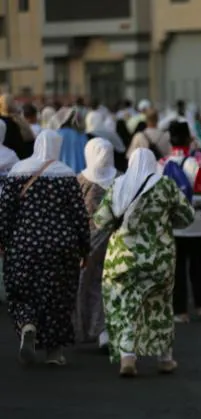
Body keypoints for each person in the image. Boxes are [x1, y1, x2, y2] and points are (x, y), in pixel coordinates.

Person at [95, 149, 195, 377]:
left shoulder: (119, 184)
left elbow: (100, 220)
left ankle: (127, 356)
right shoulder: (167, 185)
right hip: (159, 258)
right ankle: (165, 359)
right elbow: (187, 216)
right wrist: (167, 224)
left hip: (122, 258)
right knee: (159, 305)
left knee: (126, 305)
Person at [0, 130, 90, 366]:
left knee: (22, 290)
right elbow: (80, 216)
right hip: (62, 246)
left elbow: (5, 210)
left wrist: (3, 240)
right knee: (58, 297)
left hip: (23, 245)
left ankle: (28, 324)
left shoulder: (18, 171)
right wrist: (85, 247)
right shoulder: (66, 173)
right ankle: (54, 353)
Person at [164, 121, 201, 323]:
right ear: (189, 140)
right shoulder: (198, 164)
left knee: (176, 270)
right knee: (199, 267)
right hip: (197, 224)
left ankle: (180, 311)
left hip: (172, 226)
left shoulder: (162, 164)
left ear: (170, 141)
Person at [74, 138, 118, 349]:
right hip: (115, 240)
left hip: (88, 243)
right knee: (109, 284)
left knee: (86, 285)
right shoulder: (119, 179)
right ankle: (105, 332)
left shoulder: (81, 180)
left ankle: (89, 328)